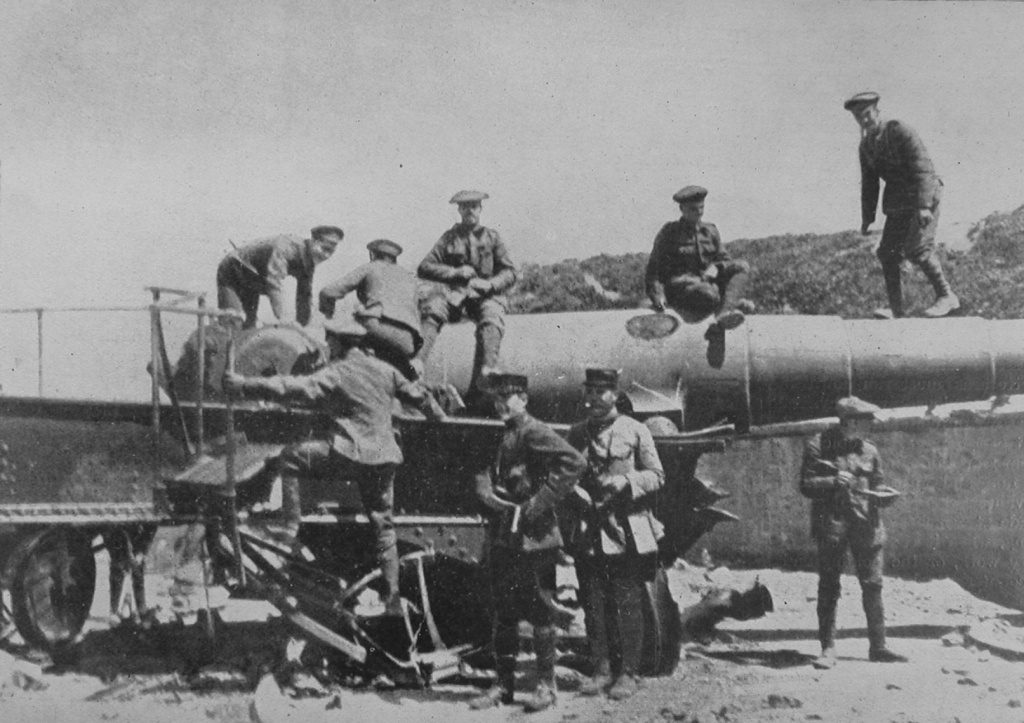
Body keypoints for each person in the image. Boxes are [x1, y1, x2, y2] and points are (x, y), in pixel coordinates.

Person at [222, 314, 445, 618]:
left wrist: (246, 385)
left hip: (349, 455)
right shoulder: (386, 371)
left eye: (330, 341)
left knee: (290, 456)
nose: (328, 345)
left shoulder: (338, 372)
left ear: (339, 343)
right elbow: (419, 396)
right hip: (384, 459)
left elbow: (293, 388)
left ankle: (290, 526)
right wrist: (440, 418)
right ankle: (392, 599)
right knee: (384, 525)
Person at [469, 372, 585, 713]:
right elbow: (482, 465)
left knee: (539, 608)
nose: (502, 404)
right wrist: (483, 488)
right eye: (497, 399)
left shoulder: (534, 430)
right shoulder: (501, 431)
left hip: (535, 536)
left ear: (525, 399)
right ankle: (503, 687)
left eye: (510, 398)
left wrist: (540, 502)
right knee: (503, 610)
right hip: (505, 532)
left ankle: (546, 687)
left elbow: (574, 462)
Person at [565, 368, 665, 701]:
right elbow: (564, 475)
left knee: (627, 602)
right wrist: (575, 492)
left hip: (626, 529)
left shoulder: (636, 431)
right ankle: (602, 669)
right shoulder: (575, 434)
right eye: (589, 392)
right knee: (592, 603)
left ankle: (629, 673)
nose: (592, 398)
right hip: (588, 529)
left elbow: (657, 476)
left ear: (615, 395)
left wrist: (628, 482)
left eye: (600, 392)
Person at [799, 396, 907, 670]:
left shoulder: (870, 450)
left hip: (866, 526)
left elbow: (878, 484)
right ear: (850, 421)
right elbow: (806, 485)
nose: (871, 424)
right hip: (832, 526)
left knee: (873, 586)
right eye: (866, 419)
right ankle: (828, 649)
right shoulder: (818, 445)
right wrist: (833, 481)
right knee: (829, 587)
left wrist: (885, 495)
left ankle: (879, 647)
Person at [845, 92, 960, 319]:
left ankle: (947, 296)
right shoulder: (866, 146)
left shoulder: (898, 131)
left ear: (877, 111)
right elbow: (870, 185)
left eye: (867, 114)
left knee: (918, 248)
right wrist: (867, 219)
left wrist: (924, 205)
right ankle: (898, 311)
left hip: (923, 193)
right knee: (887, 253)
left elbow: (923, 168)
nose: (864, 120)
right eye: (859, 117)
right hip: (899, 201)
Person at [415, 190, 517, 390]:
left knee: (492, 315)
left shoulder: (492, 237)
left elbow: (510, 272)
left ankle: (489, 370)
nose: (469, 210)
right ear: (459, 210)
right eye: (465, 207)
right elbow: (424, 267)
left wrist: (491, 284)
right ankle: (417, 362)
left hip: (485, 297)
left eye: (474, 206)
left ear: (480, 209)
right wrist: (455, 272)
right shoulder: (449, 238)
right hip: (456, 297)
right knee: (434, 308)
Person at [645, 186, 753, 334]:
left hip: (708, 281)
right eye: (693, 209)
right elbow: (653, 270)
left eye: (701, 208)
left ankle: (724, 313)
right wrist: (657, 297)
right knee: (708, 294)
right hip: (681, 287)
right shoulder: (670, 232)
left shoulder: (710, 231)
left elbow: (725, 260)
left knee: (741, 266)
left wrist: (715, 269)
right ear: (682, 209)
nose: (699, 212)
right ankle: (728, 303)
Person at [319, 239, 422, 378]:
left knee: (334, 335)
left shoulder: (372, 267)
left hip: (377, 326)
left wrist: (327, 315)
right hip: (408, 341)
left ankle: (330, 382)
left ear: (373, 255)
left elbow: (328, 292)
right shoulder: (411, 278)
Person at [217, 226, 343, 328]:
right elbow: (273, 282)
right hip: (232, 271)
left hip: (253, 280)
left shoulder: (309, 263)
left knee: (249, 326)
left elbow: (304, 296)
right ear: (314, 241)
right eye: (324, 249)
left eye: (330, 252)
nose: (326, 256)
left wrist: (302, 328)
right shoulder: (286, 246)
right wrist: (283, 319)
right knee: (233, 324)